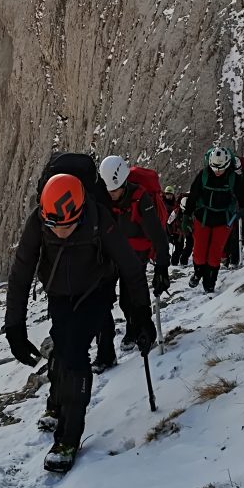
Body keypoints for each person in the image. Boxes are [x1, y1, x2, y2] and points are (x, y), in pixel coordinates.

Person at [5, 173, 156, 473]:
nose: (60, 232)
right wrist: (14, 328)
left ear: (80, 211)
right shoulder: (38, 221)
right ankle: (56, 403)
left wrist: (142, 315)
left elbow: (130, 267)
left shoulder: (99, 219)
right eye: (54, 227)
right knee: (62, 345)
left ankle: (67, 439)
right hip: (59, 294)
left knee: (74, 355)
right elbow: (20, 273)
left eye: (67, 226)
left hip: (95, 292)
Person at [93, 156, 170, 370]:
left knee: (130, 298)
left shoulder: (141, 199)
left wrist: (162, 267)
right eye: (109, 190)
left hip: (136, 254)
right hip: (113, 251)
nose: (112, 195)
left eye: (115, 190)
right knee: (104, 298)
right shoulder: (106, 197)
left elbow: (158, 235)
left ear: (124, 182)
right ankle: (107, 351)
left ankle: (137, 330)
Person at [185, 147, 244, 293]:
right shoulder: (203, 175)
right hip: (203, 218)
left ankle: (209, 283)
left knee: (215, 254)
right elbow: (193, 195)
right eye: (215, 168)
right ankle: (198, 273)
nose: (218, 171)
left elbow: (243, 197)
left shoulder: (233, 178)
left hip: (223, 221)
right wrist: (186, 215)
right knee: (199, 251)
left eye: (221, 168)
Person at [168, 194, 194, 267]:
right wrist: (171, 234)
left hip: (188, 230)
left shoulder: (191, 211)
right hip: (178, 232)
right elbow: (169, 223)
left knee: (189, 246)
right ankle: (174, 262)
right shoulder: (176, 211)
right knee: (179, 248)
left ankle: (183, 261)